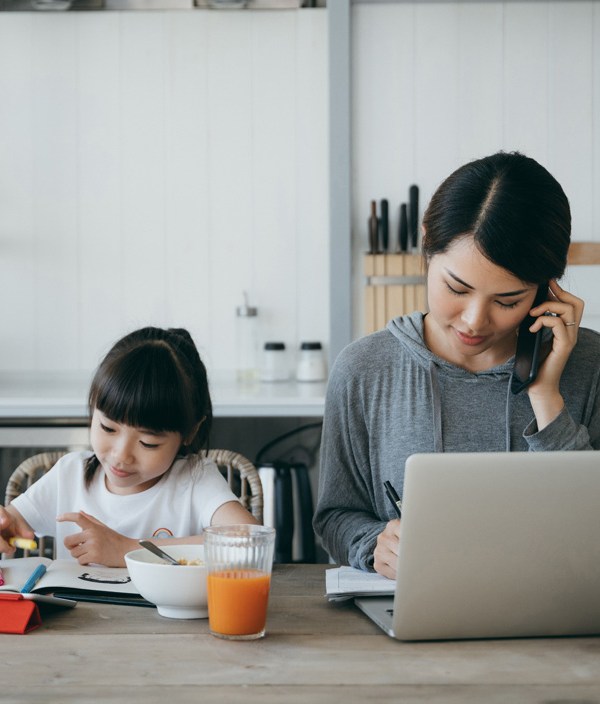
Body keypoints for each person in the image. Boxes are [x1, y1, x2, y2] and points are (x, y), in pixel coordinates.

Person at [313, 151, 600, 579]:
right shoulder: (364, 369)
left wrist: (546, 397)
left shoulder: (589, 366)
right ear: (427, 245)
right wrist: (375, 545)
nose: (474, 321)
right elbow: (335, 516)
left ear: (547, 288)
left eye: (508, 301)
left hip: (556, 625)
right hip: (411, 619)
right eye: (456, 287)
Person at [0, 327, 258, 566]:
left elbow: (250, 541)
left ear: (190, 433)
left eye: (148, 443)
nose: (121, 456)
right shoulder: (69, 475)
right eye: (107, 428)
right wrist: (6, 526)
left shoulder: (194, 480)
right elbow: (13, 524)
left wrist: (127, 549)